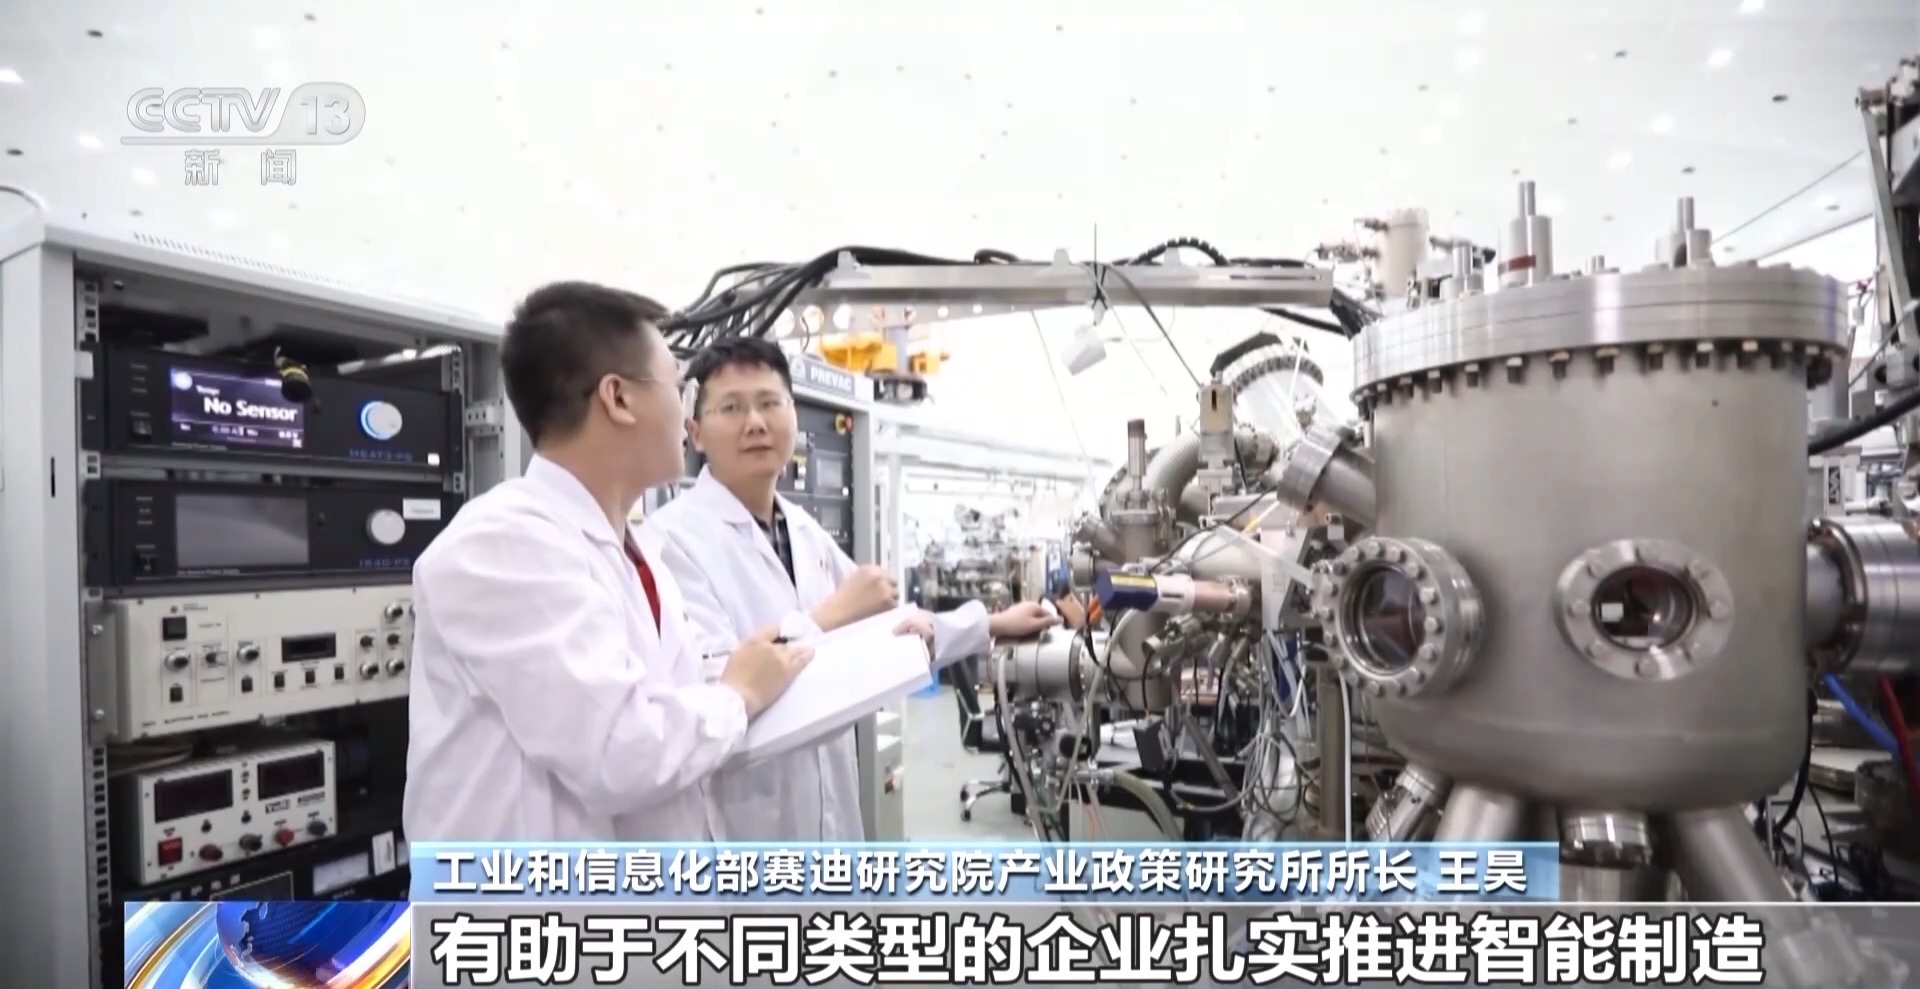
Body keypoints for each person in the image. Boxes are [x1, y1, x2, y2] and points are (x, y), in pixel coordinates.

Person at [403, 282, 814, 841]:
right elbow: (621, 752)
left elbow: (674, 694)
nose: (686, 416)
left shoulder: (634, 551)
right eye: (678, 388)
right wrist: (739, 694)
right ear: (618, 398)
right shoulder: (502, 545)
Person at [646, 336, 1060, 841]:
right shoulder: (671, 542)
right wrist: (830, 617)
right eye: (731, 408)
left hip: (833, 818)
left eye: (770, 403)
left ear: (793, 415)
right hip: (745, 828)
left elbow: (893, 630)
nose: (755, 422)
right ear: (695, 433)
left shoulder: (803, 531)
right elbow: (716, 697)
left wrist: (990, 625)